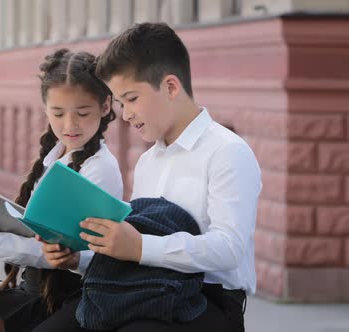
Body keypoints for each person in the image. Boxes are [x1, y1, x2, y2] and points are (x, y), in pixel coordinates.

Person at [35, 22, 261, 332]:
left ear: (170, 87)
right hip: (140, 288)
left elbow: (229, 249)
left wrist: (140, 247)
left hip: (209, 303)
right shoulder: (147, 162)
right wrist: (76, 259)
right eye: (120, 103)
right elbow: (130, 250)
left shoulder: (227, 152)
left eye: (131, 98)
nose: (125, 115)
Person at [0, 48, 124, 332]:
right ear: (45, 108)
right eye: (58, 113)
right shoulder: (53, 158)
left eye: (82, 113)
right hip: (33, 291)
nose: (70, 125)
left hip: (71, 298)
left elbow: (50, 251)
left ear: (106, 106)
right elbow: (23, 234)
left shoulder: (101, 168)